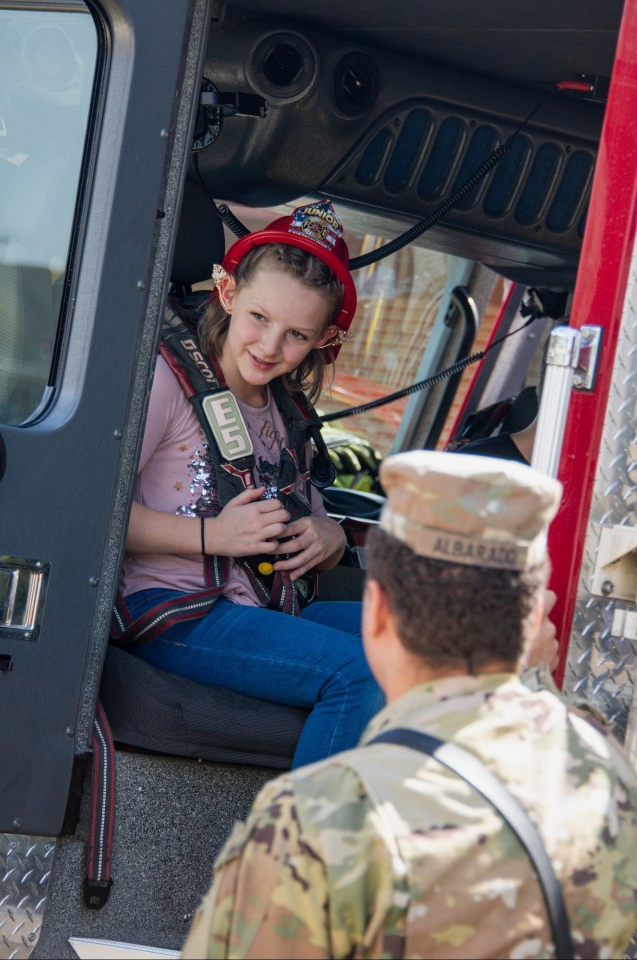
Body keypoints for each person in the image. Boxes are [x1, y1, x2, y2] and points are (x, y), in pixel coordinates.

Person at [181, 450, 637, 959]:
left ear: (374, 615)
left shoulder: (320, 819)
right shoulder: (603, 771)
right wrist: (528, 674)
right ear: (530, 622)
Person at [115, 199, 383, 768]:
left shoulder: (286, 410)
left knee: (424, 638)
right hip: (175, 610)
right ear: (229, 294)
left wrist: (329, 535)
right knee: (362, 673)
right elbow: (95, 514)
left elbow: (306, 521)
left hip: (266, 608)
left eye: (296, 336)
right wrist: (215, 536)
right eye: (260, 318)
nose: (270, 347)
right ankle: (304, 851)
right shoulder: (168, 382)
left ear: (321, 342)